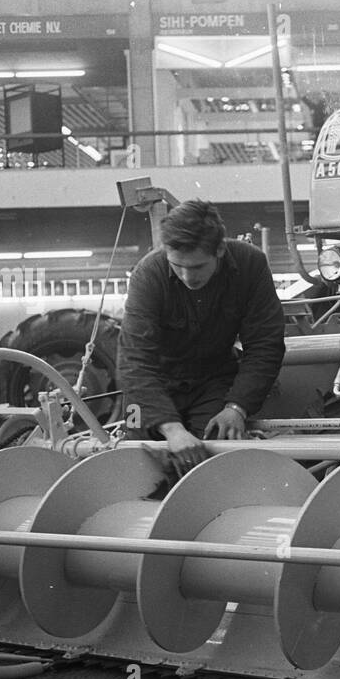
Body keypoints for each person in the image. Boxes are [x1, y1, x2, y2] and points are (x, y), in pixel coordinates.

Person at [117, 200, 286, 475]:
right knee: (135, 452)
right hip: (148, 387)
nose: (186, 276)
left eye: (196, 267)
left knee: (214, 453)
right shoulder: (148, 273)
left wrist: (237, 407)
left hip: (213, 381)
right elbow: (133, 360)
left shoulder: (250, 265)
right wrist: (171, 429)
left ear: (220, 249)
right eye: (177, 266)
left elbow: (265, 344)